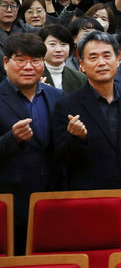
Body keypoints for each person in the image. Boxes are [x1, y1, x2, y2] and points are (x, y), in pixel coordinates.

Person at [51, 31, 121, 249]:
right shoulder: (66, 106)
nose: (102, 62)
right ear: (82, 65)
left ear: (116, 60)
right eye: (93, 57)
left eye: (107, 55)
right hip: (92, 200)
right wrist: (78, 138)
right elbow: (60, 158)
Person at [0, 34, 65, 255]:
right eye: (20, 60)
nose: (29, 67)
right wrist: (12, 139)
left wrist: (78, 137)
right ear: (6, 62)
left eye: (36, 60)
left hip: (53, 200)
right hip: (10, 205)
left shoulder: (58, 97)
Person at [39, 25, 86, 93]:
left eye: (63, 44)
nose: (58, 50)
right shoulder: (33, 75)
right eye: (52, 44)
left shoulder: (80, 78)